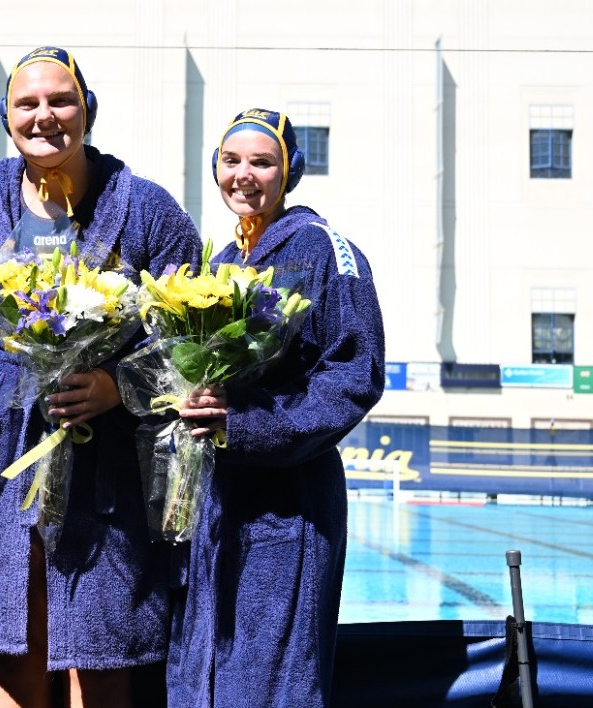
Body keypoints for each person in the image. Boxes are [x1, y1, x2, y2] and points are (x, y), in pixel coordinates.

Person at [0, 47, 202, 707]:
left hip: (105, 463)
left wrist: (119, 385)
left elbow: (194, 343)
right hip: (2, 460)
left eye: (61, 101)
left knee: (101, 659)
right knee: (9, 653)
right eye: (27, 103)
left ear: (87, 111)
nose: (44, 116)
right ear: (5, 116)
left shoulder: (148, 212)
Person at [170, 108, 386, 707]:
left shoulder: (323, 250)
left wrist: (249, 425)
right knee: (208, 672)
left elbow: (353, 375)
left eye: (262, 162)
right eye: (230, 161)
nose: (244, 175)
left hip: (288, 510)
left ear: (289, 171)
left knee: (274, 678)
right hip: (217, 505)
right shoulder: (220, 266)